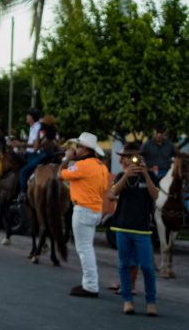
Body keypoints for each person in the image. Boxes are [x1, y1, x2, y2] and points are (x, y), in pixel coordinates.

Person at [106, 142, 159, 315]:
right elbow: (112, 194)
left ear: (141, 158)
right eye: (127, 157)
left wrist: (146, 175)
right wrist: (125, 176)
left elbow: (155, 195)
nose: (130, 160)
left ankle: (151, 302)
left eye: (134, 156)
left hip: (142, 230)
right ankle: (127, 300)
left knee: (148, 267)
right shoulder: (122, 175)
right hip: (122, 227)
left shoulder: (149, 174)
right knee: (124, 265)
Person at [58, 132, 110, 298]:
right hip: (95, 209)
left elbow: (61, 174)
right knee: (87, 247)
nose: (75, 149)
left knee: (84, 249)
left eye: (78, 146)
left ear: (86, 149)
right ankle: (90, 283)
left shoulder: (83, 165)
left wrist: (66, 158)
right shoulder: (102, 166)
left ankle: (90, 285)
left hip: (83, 210)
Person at [18, 114, 60, 201]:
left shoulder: (41, 133)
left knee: (23, 172)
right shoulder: (56, 134)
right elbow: (57, 147)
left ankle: (22, 193)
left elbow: (36, 148)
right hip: (54, 156)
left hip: (43, 156)